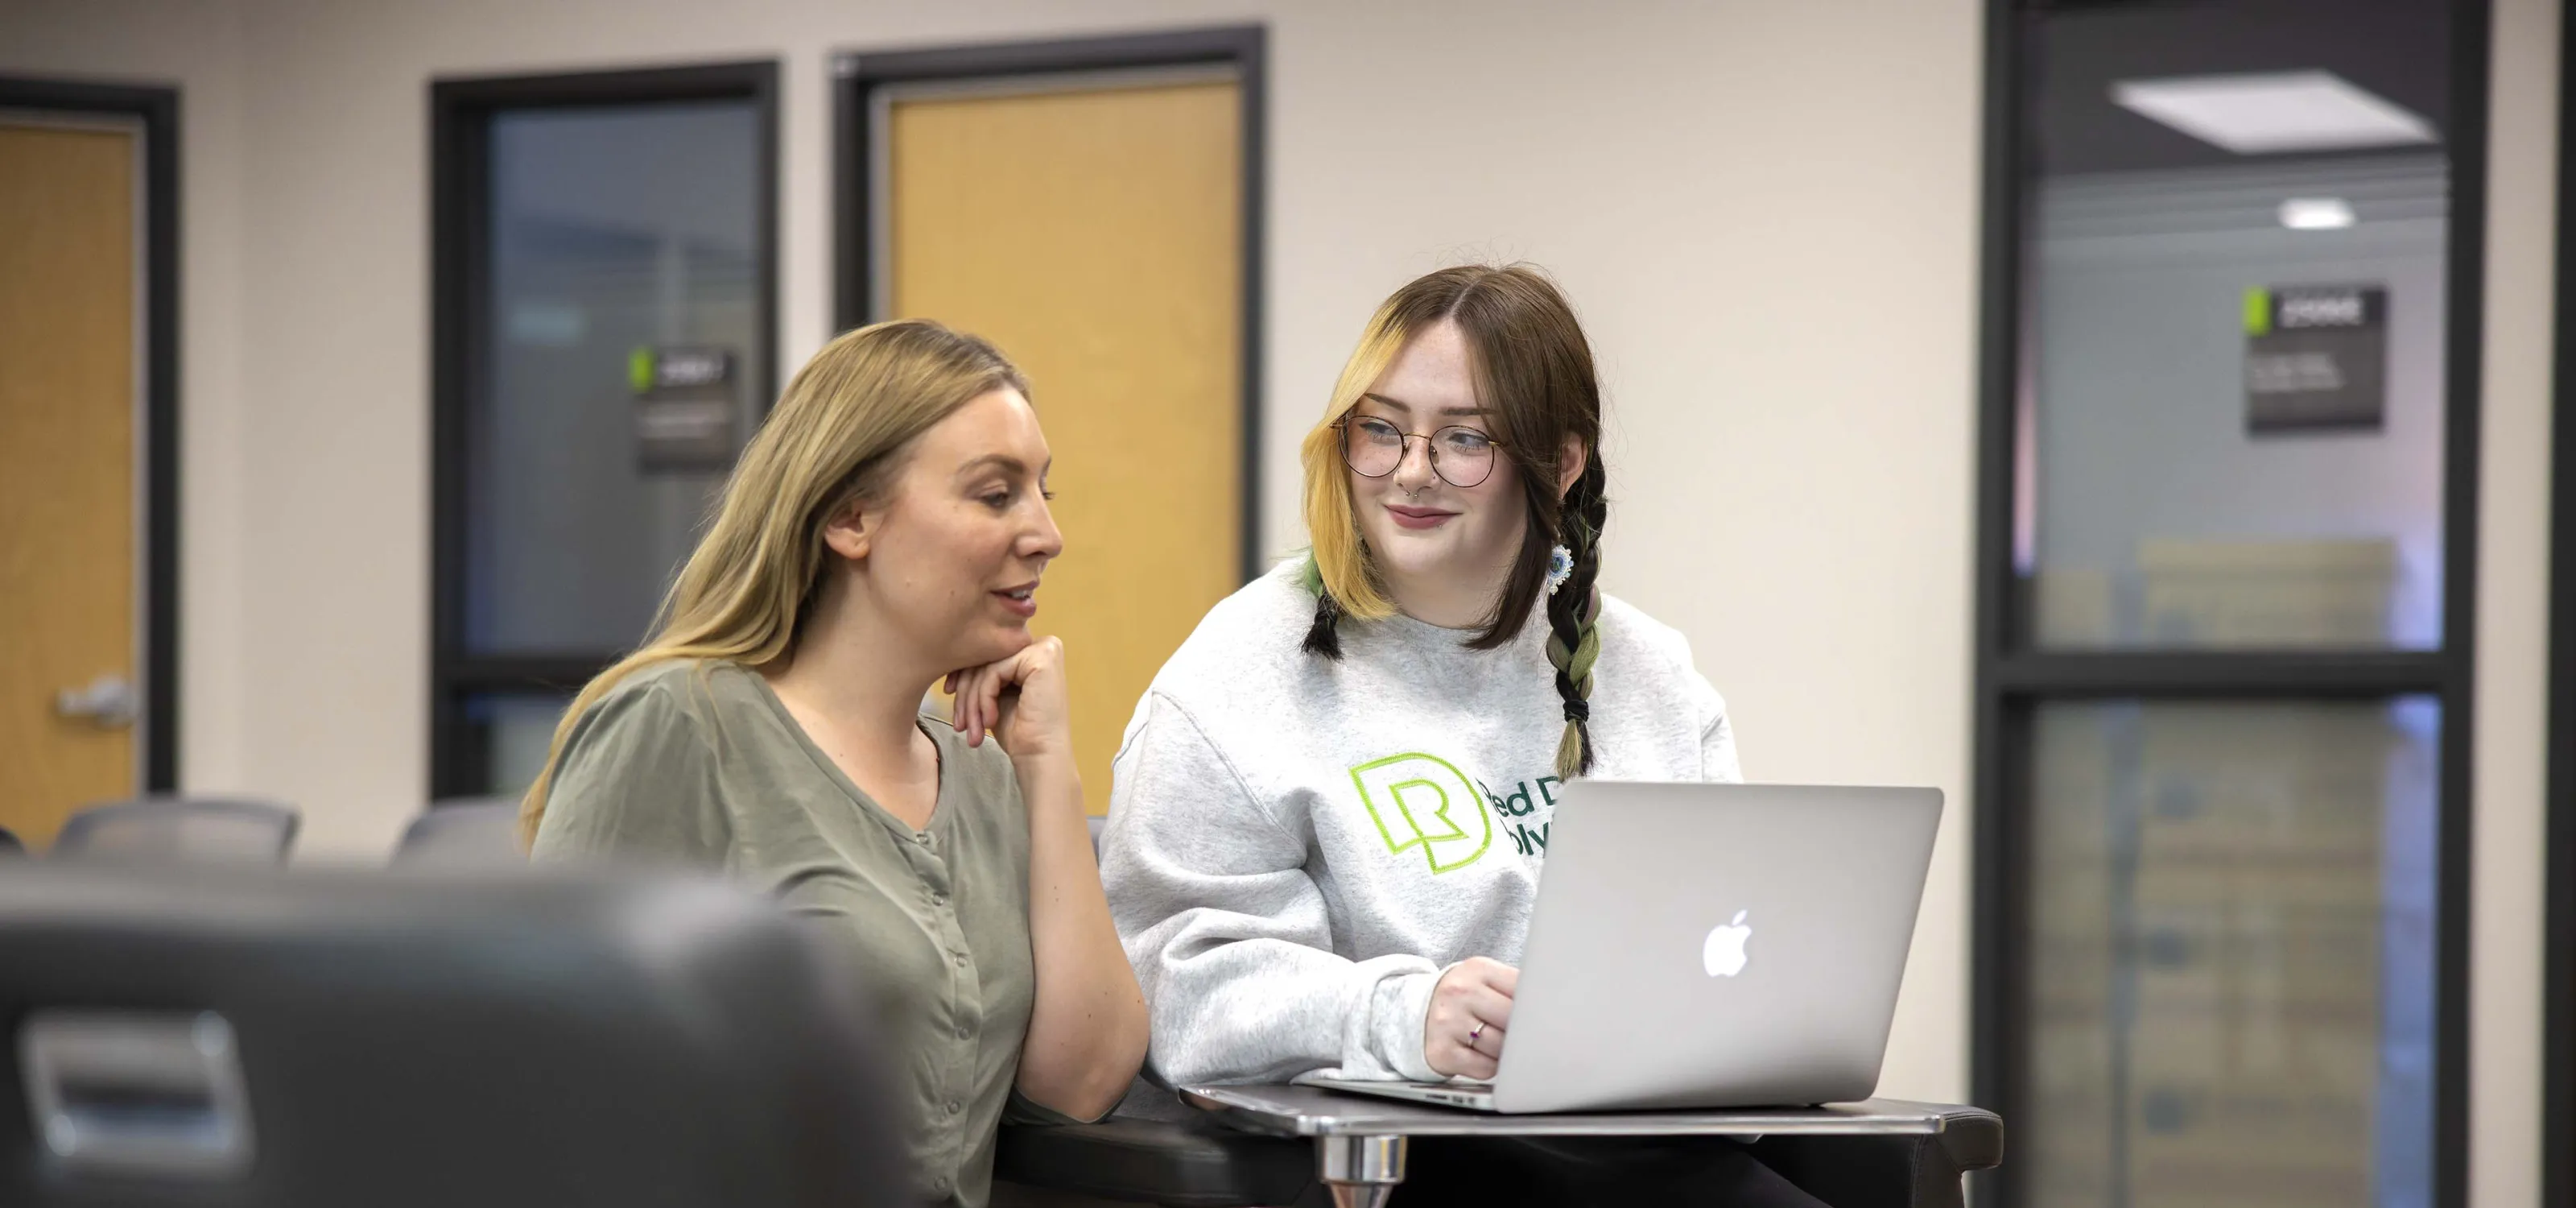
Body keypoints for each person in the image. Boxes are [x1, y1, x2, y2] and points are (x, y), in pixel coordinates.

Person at [1101, 265, 1820, 1205]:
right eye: (1382, 429)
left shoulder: (1650, 677)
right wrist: (1406, 1014)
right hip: (1398, 1159)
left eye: (1463, 440)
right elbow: (1180, 989)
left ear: (1559, 464)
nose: (1409, 471)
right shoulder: (1234, 675)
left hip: (1635, 1142)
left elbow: (1728, 944)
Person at [524, 319, 1147, 1208]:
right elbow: (554, 1087)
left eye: (1042, 493)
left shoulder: (981, 765)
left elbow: (1081, 1085)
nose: (1045, 534)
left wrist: (1047, 768)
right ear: (850, 518)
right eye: (994, 494)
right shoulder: (679, 723)